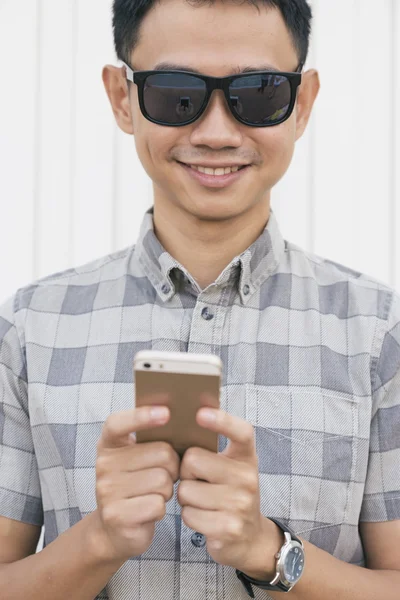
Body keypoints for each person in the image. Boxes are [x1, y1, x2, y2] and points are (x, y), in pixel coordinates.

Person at [0, 0, 399, 598]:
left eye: (259, 93)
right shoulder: (31, 328)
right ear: (122, 97)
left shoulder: (376, 331)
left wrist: (269, 550)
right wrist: (99, 541)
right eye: (176, 94)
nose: (215, 133)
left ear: (303, 103)